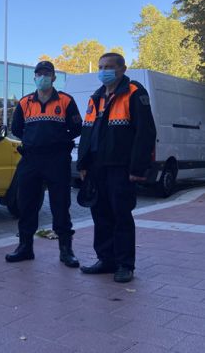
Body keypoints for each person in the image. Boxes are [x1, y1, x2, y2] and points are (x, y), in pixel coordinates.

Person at [77, 52, 156, 283]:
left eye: (109, 67)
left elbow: (145, 133)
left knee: (121, 215)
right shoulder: (96, 97)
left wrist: (137, 168)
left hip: (120, 167)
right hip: (96, 168)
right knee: (100, 215)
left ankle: (124, 265)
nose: (103, 71)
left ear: (122, 69)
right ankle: (106, 260)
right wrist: (83, 164)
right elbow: (87, 132)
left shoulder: (134, 93)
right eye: (101, 67)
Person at [5, 61, 82, 267]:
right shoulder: (25, 102)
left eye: (47, 74)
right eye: (39, 74)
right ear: (34, 77)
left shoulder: (66, 100)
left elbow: (77, 128)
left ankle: (66, 250)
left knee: (61, 205)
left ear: (54, 77)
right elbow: (17, 128)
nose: (43, 77)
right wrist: (34, 141)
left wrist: (56, 141)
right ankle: (25, 247)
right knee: (26, 204)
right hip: (30, 160)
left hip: (57, 160)